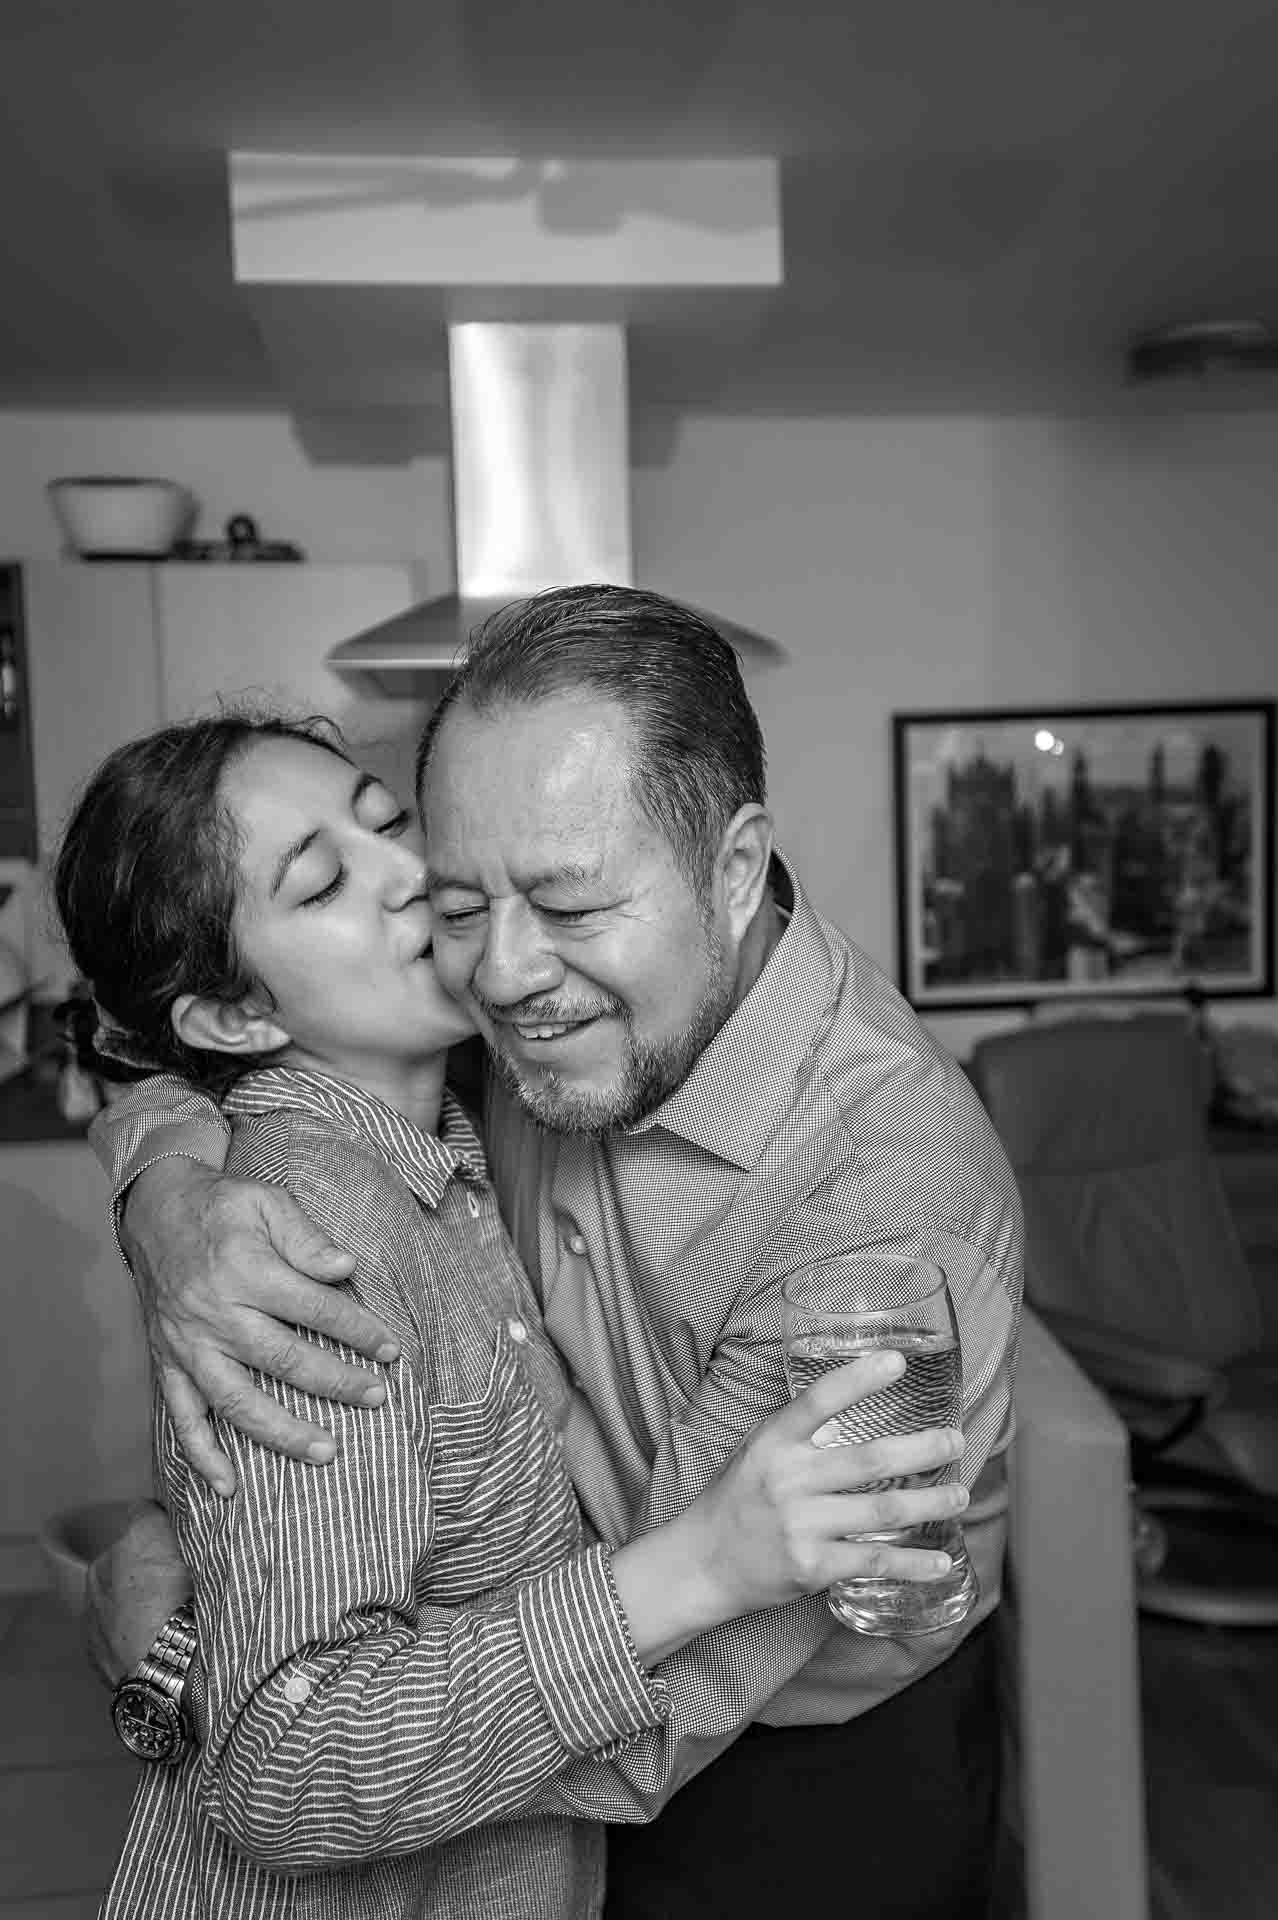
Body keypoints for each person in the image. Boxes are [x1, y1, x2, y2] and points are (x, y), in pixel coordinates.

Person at [89, 586, 1024, 1920]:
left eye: (569, 905)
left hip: (780, 1760)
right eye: (460, 894)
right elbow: (207, 1040)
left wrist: (201, 1673)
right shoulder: (473, 1019)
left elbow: (645, 1718)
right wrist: (172, 1191)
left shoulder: (876, 1215)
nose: (501, 969)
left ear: (734, 868)